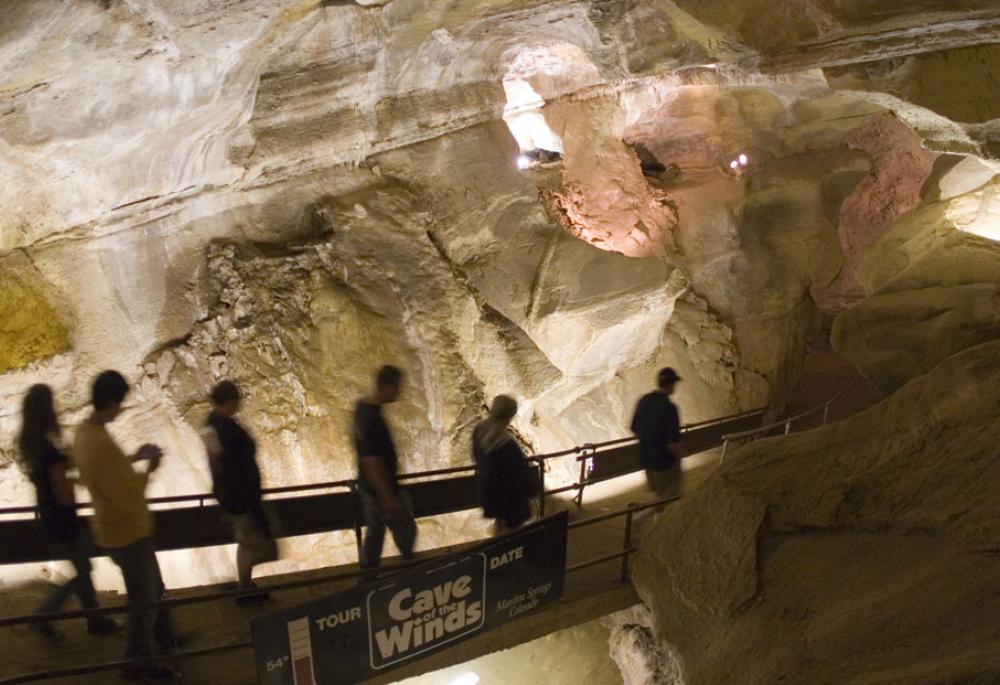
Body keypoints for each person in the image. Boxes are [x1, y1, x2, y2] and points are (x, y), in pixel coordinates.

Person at [72, 370, 175, 683]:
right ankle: (136, 662)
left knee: (152, 593)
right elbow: (125, 492)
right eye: (120, 403)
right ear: (111, 400)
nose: (121, 409)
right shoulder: (100, 442)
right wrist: (150, 469)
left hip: (112, 529)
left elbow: (105, 472)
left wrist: (132, 458)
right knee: (144, 602)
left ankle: (161, 645)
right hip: (128, 532)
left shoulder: (83, 433)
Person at [17, 384, 119, 641]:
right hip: (63, 518)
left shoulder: (32, 446)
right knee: (83, 569)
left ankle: (95, 620)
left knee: (82, 568)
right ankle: (43, 616)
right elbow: (62, 492)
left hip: (49, 515)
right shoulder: (50, 452)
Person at [201, 381, 276, 604]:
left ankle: (244, 586)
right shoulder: (219, 426)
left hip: (236, 495)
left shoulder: (214, 425)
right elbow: (224, 465)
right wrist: (238, 495)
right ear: (230, 401)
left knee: (248, 543)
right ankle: (243, 590)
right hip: (238, 497)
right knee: (252, 544)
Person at [353, 365, 416, 581]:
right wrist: (388, 498)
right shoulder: (370, 418)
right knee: (404, 529)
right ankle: (411, 571)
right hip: (382, 489)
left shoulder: (363, 408)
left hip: (373, 488)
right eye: (397, 387)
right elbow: (371, 461)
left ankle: (367, 578)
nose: (399, 392)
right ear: (387, 386)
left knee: (375, 534)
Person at [472, 395, 532, 536]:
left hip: (487, 489)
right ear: (508, 416)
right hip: (507, 496)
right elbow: (517, 472)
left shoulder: (479, 430)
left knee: (500, 522)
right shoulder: (506, 444)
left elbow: (475, 456)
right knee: (513, 524)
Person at [630, 367, 685, 499]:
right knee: (667, 500)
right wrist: (680, 457)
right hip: (664, 463)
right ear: (672, 385)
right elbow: (673, 443)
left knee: (657, 497)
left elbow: (634, 428)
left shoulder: (644, 400)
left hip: (647, 460)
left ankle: (644, 517)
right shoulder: (670, 408)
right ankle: (638, 519)